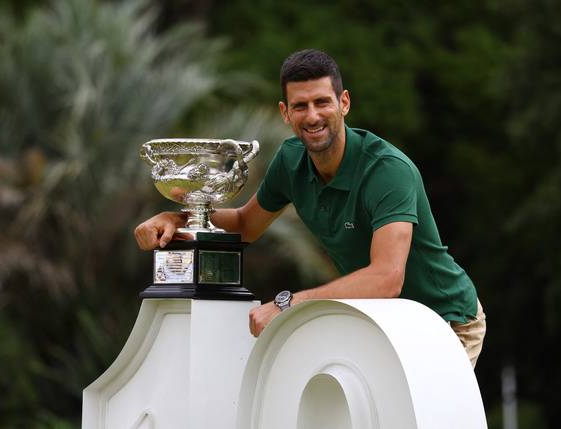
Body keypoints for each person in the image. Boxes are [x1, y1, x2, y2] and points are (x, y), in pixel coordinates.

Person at [135, 49, 486, 367]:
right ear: (285, 113)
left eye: (323, 102)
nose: (313, 116)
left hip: (446, 320)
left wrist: (288, 304)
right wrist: (179, 218)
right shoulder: (290, 160)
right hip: (381, 319)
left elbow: (386, 278)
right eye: (301, 106)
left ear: (344, 103)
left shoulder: (387, 171)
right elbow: (245, 224)